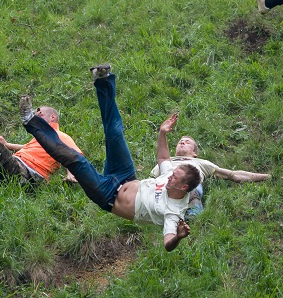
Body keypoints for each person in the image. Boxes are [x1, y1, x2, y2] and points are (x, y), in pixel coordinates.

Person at [19, 64, 201, 252]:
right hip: (125, 176)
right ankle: (102, 79)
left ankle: (30, 121)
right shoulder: (173, 174)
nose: (169, 176)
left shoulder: (173, 211)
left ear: (183, 187)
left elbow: (167, 243)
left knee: (75, 161)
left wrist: (178, 237)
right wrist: (162, 133)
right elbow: (164, 159)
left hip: (107, 195)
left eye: (174, 178)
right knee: (115, 132)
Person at [149, 135, 270, 218]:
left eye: (187, 142)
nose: (182, 142)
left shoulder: (201, 163)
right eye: (180, 141)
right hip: (163, 188)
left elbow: (234, 175)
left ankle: (194, 218)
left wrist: (267, 176)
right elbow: (150, 182)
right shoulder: (164, 162)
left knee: (192, 186)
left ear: (195, 153)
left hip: (188, 188)